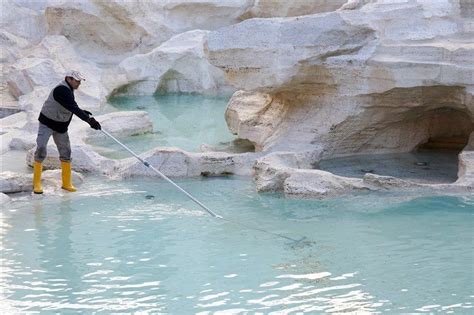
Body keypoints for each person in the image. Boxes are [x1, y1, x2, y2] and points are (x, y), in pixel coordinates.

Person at [32, 70, 101, 194]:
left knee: (66, 152)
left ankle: (66, 183)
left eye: (80, 81)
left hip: (61, 125)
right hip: (47, 123)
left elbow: (70, 105)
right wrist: (89, 120)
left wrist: (83, 112)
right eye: (77, 81)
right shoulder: (61, 90)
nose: (79, 83)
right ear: (68, 79)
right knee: (41, 147)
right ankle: (37, 183)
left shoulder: (69, 90)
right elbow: (72, 107)